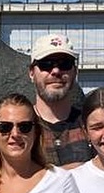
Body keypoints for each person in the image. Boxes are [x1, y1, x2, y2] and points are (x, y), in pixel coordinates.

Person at [26, 33, 91, 166]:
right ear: (31, 73)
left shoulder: (91, 125)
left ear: (75, 71)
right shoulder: (18, 127)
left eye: (65, 64)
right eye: (46, 64)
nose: (56, 71)